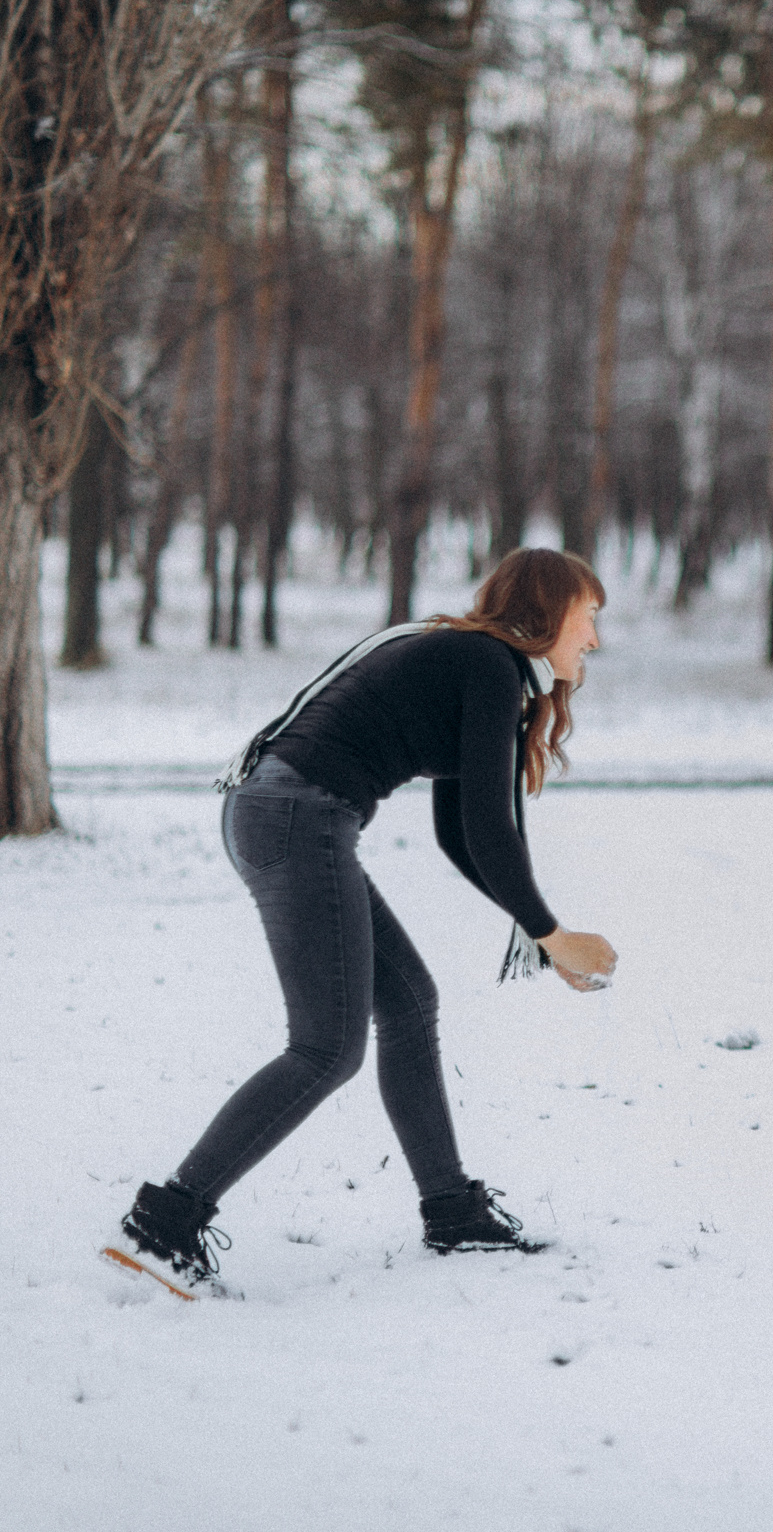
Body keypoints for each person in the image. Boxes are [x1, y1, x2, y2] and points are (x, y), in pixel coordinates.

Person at [104, 548, 621, 1298]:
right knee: (325, 1048)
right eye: (589, 616)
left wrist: (546, 936)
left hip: (283, 812)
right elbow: (486, 829)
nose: (596, 638)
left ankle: (453, 1212)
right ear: (548, 612)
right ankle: (165, 1224)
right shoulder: (488, 665)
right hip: (299, 815)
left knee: (408, 1004)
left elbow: (458, 834)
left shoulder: (478, 662)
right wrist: (550, 934)